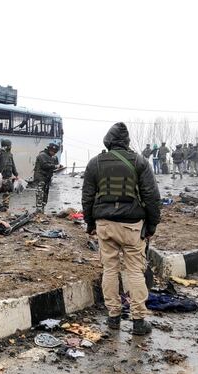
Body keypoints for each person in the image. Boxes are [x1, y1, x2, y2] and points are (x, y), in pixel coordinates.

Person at [81, 122, 161, 336]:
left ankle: (113, 317)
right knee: (135, 271)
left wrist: (90, 224)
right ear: (126, 142)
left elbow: (87, 197)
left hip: (104, 225)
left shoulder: (94, 163)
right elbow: (152, 197)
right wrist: (152, 225)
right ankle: (138, 320)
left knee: (110, 269)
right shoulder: (140, 162)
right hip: (132, 226)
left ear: (108, 141)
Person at [33, 143, 63, 213]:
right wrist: (55, 166)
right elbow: (44, 165)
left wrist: (59, 167)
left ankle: (43, 208)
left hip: (48, 177)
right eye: (53, 151)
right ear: (49, 149)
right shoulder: (42, 155)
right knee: (40, 192)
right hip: (40, 176)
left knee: (46, 192)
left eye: (55, 152)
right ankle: (38, 208)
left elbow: (55, 166)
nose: (54, 153)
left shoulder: (54, 157)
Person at [0, 138, 18, 210]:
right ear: (5, 146)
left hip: (8, 177)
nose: (11, 147)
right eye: (10, 145)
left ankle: (5, 207)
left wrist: (16, 174)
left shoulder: (10, 154)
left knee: (7, 192)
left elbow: (13, 165)